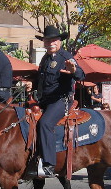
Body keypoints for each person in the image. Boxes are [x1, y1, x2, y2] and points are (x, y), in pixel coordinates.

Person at [32, 25, 85, 178]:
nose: (50, 43)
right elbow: (42, 80)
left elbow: (81, 75)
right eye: (47, 40)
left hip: (61, 101)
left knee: (45, 123)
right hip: (44, 100)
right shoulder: (45, 58)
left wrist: (73, 71)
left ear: (60, 41)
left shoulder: (65, 56)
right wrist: (31, 84)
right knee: (24, 118)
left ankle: (49, 164)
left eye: (53, 40)